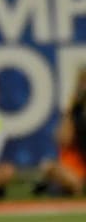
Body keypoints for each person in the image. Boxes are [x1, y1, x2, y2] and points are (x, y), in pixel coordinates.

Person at [37, 68, 86, 196]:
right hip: (76, 172)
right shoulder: (75, 114)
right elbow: (62, 140)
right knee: (48, 165)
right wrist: (71, 108)